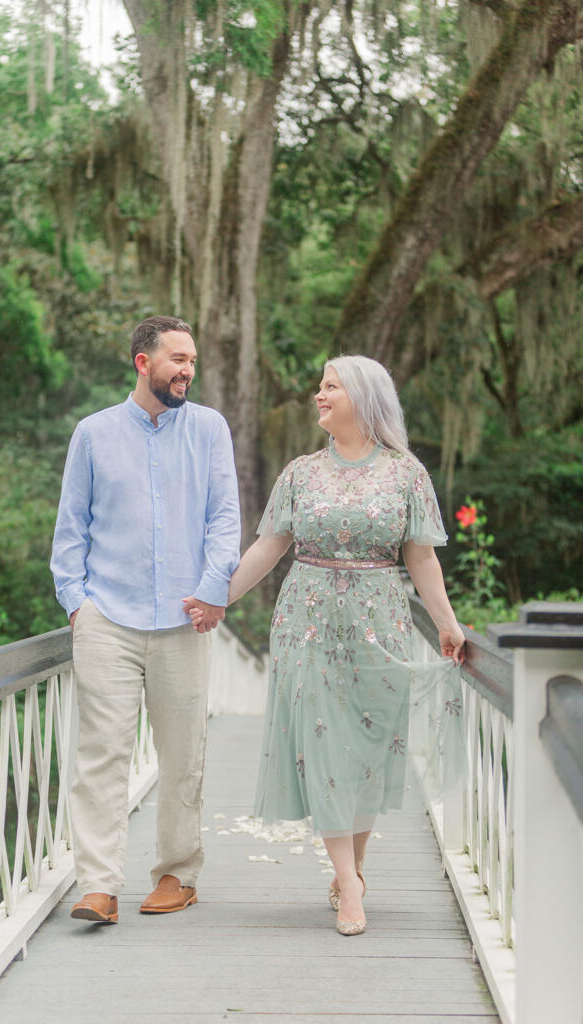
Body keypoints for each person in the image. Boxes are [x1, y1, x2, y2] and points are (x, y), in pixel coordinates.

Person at [187, 355, 466, 936]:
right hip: (307, 623)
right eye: (320, 387)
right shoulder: (299, 473)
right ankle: (350, 888)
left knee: (364, 751)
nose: (319, 396)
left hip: (381, 622)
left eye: (330, 387)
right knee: (324, 748)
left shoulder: (406, 473)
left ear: (363, 398)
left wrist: (446, 622)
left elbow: (420, 556)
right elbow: (267, 548)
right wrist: (219, 599)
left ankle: (352, 870)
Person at [51, 315, 240, 924]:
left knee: (183, 754)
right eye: (177, 359)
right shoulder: (93, 433)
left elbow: (224, 519)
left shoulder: (209, 429)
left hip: (185, 620)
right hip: (107, 616)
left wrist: (214, 590)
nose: (187, 370)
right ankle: (99, 885)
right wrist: (77, 601)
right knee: (101, 754)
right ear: (143, 361)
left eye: (192, 361)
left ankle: (177, 874)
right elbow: (70, 528)